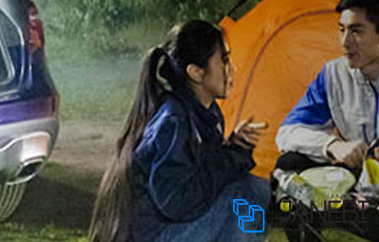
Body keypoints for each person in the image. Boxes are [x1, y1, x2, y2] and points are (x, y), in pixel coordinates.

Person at [89, 20, 269, 242]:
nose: (232, 69)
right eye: (224, 60)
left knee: (253, 190)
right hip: (157, 234)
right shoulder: (173, 120)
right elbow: (176, 201)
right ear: (196, 72)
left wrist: (233, 146)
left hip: (174, 230)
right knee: (246, 193)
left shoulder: (205, 113)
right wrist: (231, 158)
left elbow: (204, 172)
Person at [276, 0, 379, 169]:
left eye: (356, 31)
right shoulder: (334, 75)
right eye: (341, 30)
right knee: (289, 162)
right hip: (356, 174)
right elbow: (287, 133)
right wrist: (332, 145)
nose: (344, 42)